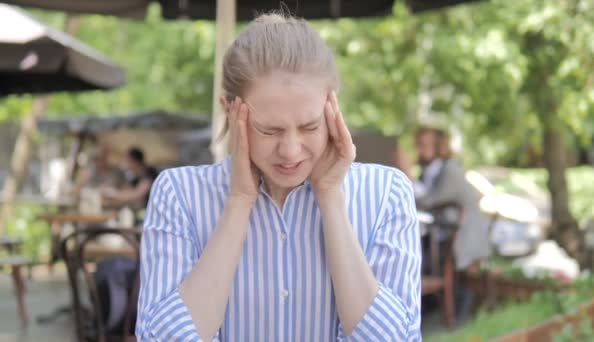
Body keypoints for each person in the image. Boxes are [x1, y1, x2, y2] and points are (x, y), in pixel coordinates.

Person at [136, 13, 421, 341]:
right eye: (269, 129)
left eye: (310, 126)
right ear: (229, 109)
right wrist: (239, 203)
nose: (290, 150)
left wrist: (330, 199)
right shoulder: (180, 194)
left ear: (333, 109)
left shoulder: (387, 193)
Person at [395, 126, 491, 271]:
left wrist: (408, 175)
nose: (418, 150)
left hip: (461, 240)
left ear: (438, 146)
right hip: (445, 236)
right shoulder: (430, 171)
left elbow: (428, 203)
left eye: (424, 145)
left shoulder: (449, 171)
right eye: (418, 145)